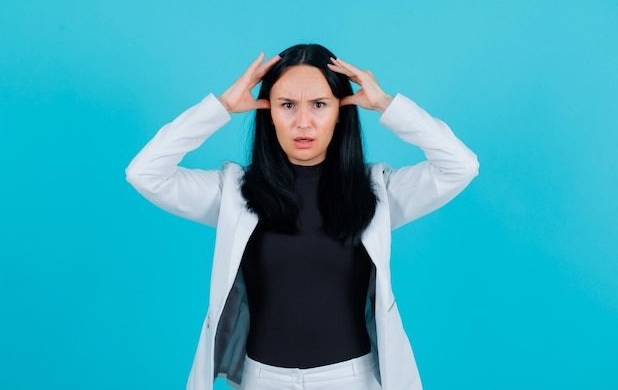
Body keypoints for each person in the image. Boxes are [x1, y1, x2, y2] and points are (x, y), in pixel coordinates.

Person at [126, 44, 479, 390]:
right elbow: (145, 173)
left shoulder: (378, 192)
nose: (303, 122)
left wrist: (386, 104)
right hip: (261, 380)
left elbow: (460, 166)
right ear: (269, 111)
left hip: (353, 379)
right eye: (287, 105)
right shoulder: (233, 193)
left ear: (341, 110)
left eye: (319, 105)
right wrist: (220, 107)